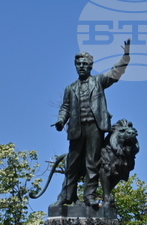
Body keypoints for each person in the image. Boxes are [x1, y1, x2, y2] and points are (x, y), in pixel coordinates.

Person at [53, 40, 132, 207]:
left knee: (93, 162)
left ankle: (89, 196)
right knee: (72, 164)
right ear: (75, 66)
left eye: (85, 64)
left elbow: (115, 72)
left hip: (95, 127)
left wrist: (125, 57)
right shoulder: (70, 88)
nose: (81, 66)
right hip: (76, 128)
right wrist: (61, 120)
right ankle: (66, 196)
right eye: (78, 64)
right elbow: (65, 107)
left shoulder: (98, 81)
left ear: (90, 66)